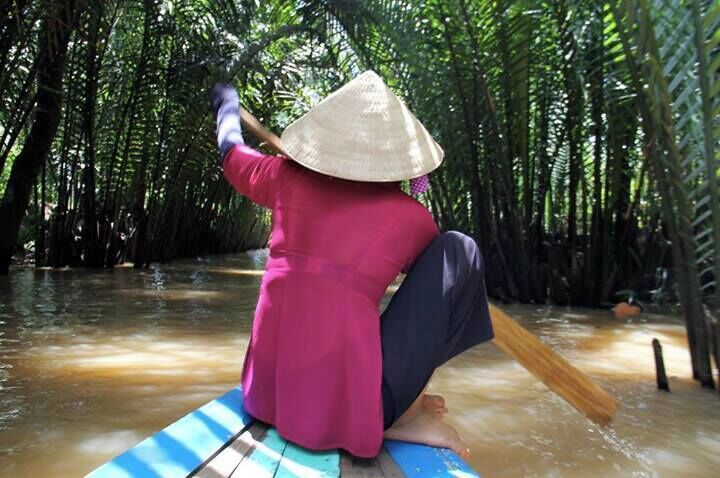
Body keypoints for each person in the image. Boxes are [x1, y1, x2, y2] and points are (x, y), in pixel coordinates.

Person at [210, 71, 494, 459]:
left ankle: (396, 406)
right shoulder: (411, 219)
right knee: (459, 252)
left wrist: (226, 103)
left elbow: (231, 154)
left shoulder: (282, 177)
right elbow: (436, 297)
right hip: (344, 414)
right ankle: (406, 416)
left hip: (264, 394)